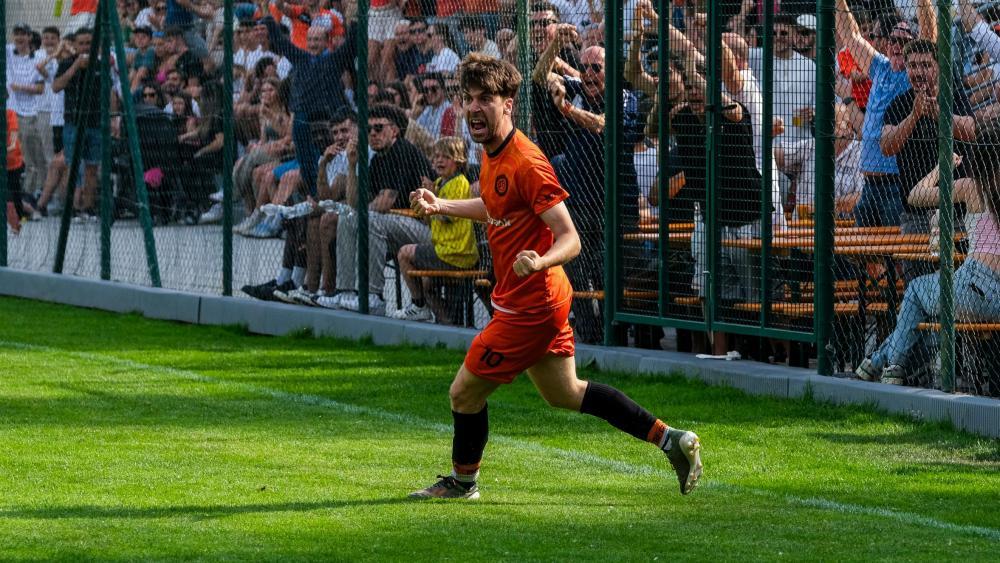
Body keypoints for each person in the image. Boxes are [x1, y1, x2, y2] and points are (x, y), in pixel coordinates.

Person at [406, 53, 702, 500]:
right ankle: (671, 439)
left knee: (464, 394)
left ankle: (463, 483)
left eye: (485, 98)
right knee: (565, 393)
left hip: (531, 303)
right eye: (468, 99)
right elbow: (495, 208)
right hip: (535, 297)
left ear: (509, 103)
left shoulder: (527, 161)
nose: (473, 108)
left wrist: (540, 261)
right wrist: (443, 206)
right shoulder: (492, 154)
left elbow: (571, 238)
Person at [856, 136, 1000, 385]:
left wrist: (940, 168)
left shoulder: (973, 187)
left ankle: (894, 367)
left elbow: (915, 195)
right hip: (995, 299)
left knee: (914, 290)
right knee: (925, 307)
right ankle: (877, 361)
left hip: (972, 287)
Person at [392, 136, 478, 322]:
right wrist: (421, 201)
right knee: (426, 282)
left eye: (445, 156)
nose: (439, 160)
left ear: (459, 160)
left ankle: (418, 305)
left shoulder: (459, 183)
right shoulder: (439, 183)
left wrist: (433, 200)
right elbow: (430, 220)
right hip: (445, 250)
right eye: (436, 156)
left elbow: (447, 216)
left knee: (404, 254)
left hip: (455, 252)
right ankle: (446, 324)